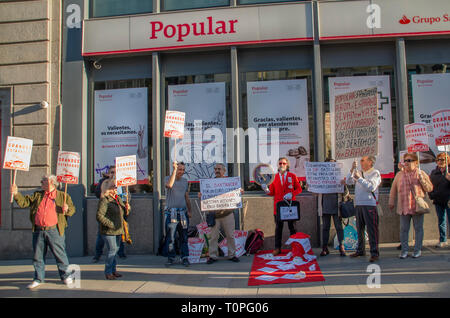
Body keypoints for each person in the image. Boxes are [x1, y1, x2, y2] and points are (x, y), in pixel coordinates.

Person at [11, 175, 76, 289]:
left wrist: (67, 209)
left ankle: (66, 276)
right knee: (38, 256)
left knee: (60, 254)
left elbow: (72, 210)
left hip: (54, 230)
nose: (41, 182)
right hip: (39, 229)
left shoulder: (62, 196)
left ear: (51, 182)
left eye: (44, 180)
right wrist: (16, 193)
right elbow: (24, 202)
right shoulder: (38, 195)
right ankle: (38, 278)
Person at [389, 153, 433, 258]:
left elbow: (429, 188)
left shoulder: (420, 173)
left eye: (409, 160)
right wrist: (391, 201)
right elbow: (393, 189)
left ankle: (417, 250)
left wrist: (422, 180)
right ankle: (404, 250)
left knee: (418, 228)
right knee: (404, 229)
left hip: (417, 206)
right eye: (406, 161)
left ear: (416, 162)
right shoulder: (399, 175)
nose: (407, 163)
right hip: (404, 206)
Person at [199, 163, 243, 264]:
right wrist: (201, 195)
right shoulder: (209, 183)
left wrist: (240, 192)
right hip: (214, 215)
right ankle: (213, 256)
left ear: (224, 171)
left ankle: (232, 254)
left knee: (230, 235)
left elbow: (236, 193)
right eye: (215, 169)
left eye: (219, 169)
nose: (217, 171)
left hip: (227, 213)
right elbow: (205, 196)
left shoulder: (230, 182)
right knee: (213, 237)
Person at [262, 157, 302, 256]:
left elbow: (299, 189)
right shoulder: (274, 177)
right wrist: (266, 190)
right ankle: (277, 248)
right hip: (278, 207)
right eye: (280, 163)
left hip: (290, 206)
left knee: (292, 228)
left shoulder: (292, 176)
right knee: (278, 228)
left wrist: (292, 194)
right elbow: (272, 192)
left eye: (284, 163)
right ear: (278, 165)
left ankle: (295, 247)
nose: (282, 165)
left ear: (287, 165)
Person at [346, 156, 381, 262]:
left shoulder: (375, 173)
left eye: (363, 160)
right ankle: (360, 250)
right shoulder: (359, 172)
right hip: (359, 204)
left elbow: (371, 187)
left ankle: (374, 252)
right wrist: (352, 169)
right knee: (359, 228)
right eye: (360, 160)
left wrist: (359, 178)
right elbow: (348, 181)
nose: (360, 162)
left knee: (372, 229)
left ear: (370, 162)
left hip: (369, 204)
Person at [96, 179, 130, 280]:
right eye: (113, 187)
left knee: (116, 250)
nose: (116, 188)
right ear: (108, 189)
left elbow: (123, 212)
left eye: (115, 187)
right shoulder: (105, 200)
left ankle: (113, 270)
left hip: (118, 229)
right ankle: (108, 271)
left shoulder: (117, 198)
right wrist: (111, 224)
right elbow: (99, 216)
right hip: (109, 231)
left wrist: (127, 208)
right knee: (112, 250)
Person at [318, 158, 348, 257]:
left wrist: (344, 185)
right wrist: (311, 186)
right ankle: (325, 247)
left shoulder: (339, 177)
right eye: (328, 165)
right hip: (325, 206)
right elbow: (315, 193)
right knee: (325, 228)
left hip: (337, 206)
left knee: (339, 227)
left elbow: (346, 193)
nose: (330, 166)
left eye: (332, 164)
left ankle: (341, 246)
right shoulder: (321, 177)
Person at [164, 161, 192, 267]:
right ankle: (171, 257)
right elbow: (169, 185)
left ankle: (184, 257)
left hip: (183, 212)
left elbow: (186, 197)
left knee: (184, 236)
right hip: (172, 213)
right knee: (171, 237)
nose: (182, 172)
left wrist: (190, 210)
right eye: (180, 169)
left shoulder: (185, 181)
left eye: (183, 170)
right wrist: (174, 171)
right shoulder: (168, 178)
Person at [93, 165, 116, 263]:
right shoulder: (104, 182)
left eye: (115, 172)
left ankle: (121, 253)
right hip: (106, 213)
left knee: (119, 236)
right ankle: (97, 255)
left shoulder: (121, 183)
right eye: (111, 172)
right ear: (108, 173)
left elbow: (126, 195)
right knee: (101, 235)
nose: (113, 174)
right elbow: (98, 194)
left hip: (117, 212)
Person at [428, 152, 450, 248]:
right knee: (441, 221)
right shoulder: (434, 172)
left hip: (448, 200)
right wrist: (432, 195)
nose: (440, 162)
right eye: (438, 160)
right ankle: (443, 239)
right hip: (438, 200)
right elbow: (429, 186)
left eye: (442, 160)